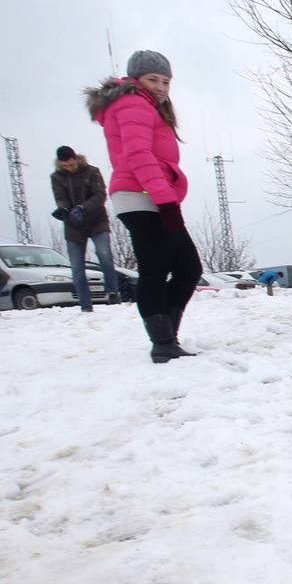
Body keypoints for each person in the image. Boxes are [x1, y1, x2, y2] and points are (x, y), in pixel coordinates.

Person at [85, 50, 203, 363]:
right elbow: (138, 155)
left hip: (150, 195)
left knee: (188, 268)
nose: (162, 86)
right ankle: (163, 342)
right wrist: (165, 200)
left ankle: (167, 337)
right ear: (136, 79)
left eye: (166, 81)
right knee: (156, 270)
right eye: (154, 79)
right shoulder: (133, 103)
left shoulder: (147, 105)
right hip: (143, 196)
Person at [50, 145, 120, 311]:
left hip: (97, 220)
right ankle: (85, 304)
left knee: (104, 254)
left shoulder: (92, 171)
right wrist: (63, 210)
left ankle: (112, 291)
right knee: (77, 266)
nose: (69, 168)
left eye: (71, 164)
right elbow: (60, 197)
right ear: (60, 164)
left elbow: (100, 195)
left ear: (76, 159)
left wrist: (83, 208)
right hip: (73, 226)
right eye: (65, 166)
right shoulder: (56, 177)